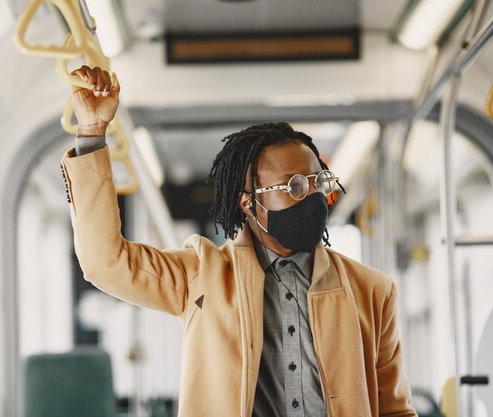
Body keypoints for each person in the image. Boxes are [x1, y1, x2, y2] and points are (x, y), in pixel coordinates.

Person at [60, 65, 417, 417]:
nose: (311, 197)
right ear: (249, 202)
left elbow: (394, 411)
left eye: (318, 182)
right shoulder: (201, 275)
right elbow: (105, 262)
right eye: (293, 186)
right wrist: (92, 132)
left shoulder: (372, 291)